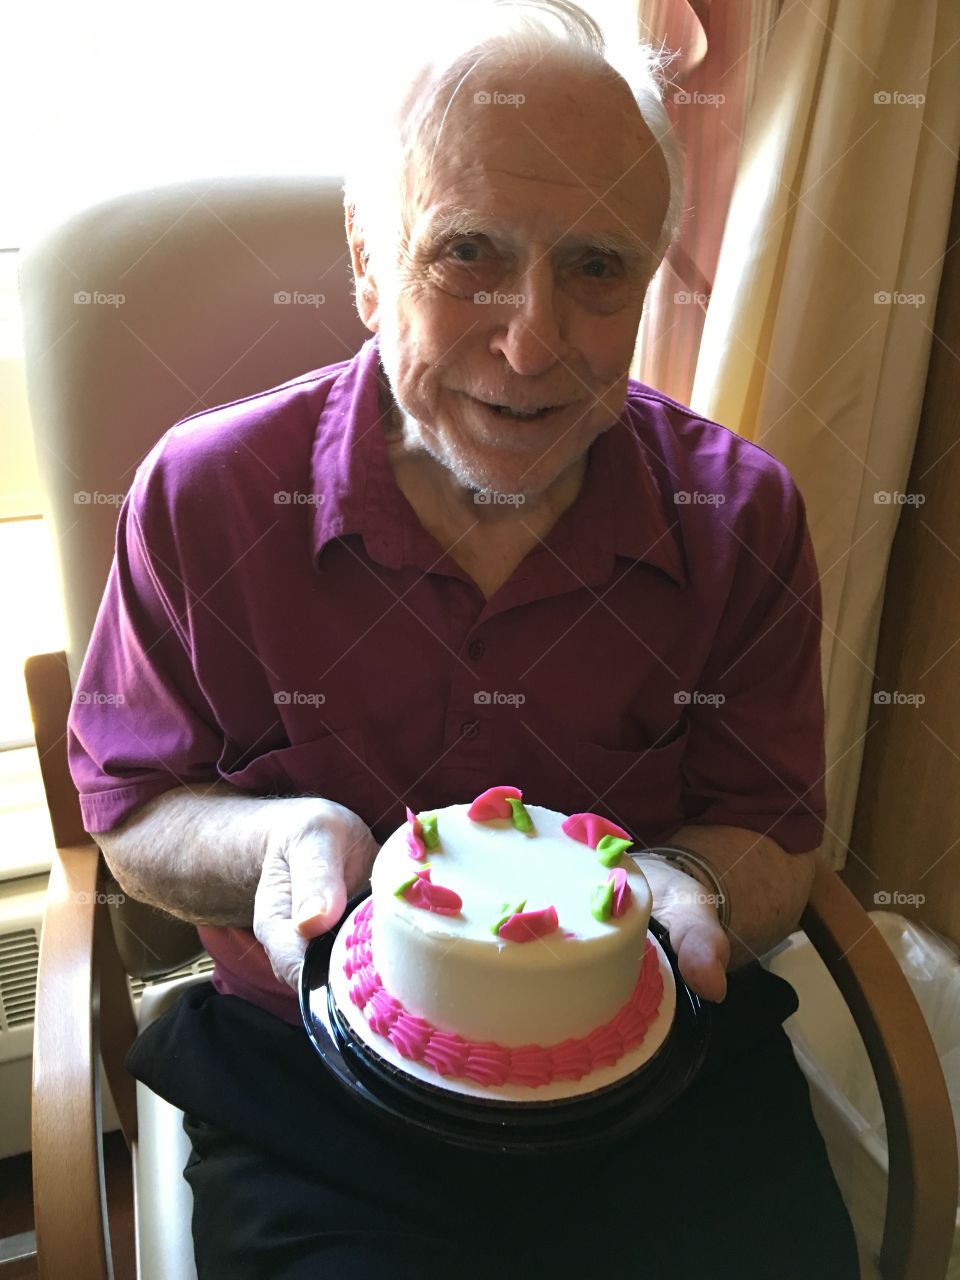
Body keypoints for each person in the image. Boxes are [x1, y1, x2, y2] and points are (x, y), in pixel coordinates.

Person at [67, 2, 860, 1276]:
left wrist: (689, 890)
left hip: (650, 1061)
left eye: (597, 266)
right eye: (467, 253)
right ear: (370, 260)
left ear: (651, 273)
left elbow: (769, 820)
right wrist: (282, 838)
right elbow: (133, 806)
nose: (533, 339)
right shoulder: (206, 497)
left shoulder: (739, 512)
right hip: (310, 1088)